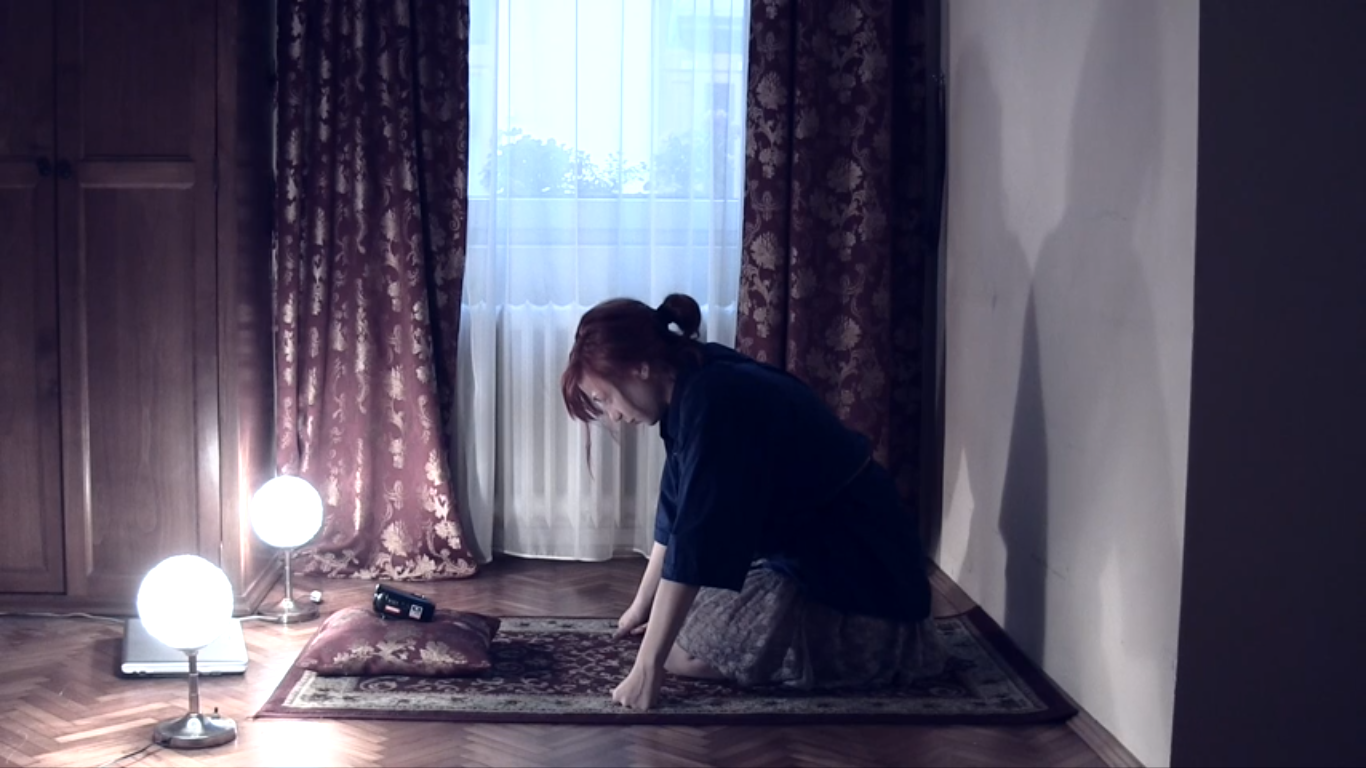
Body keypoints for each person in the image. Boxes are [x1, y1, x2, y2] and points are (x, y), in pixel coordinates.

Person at [561, 293, 945, 711]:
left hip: (860, 573)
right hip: (813, 551)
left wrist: (647, 668)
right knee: (676, 620)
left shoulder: (714, 399)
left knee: (679, 654)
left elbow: (696, 538)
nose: (613, 416)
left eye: (605, 398)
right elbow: (676, 510)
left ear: (640, 367)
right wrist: (641, 607)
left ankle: (878, 650)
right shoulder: (692, 376)